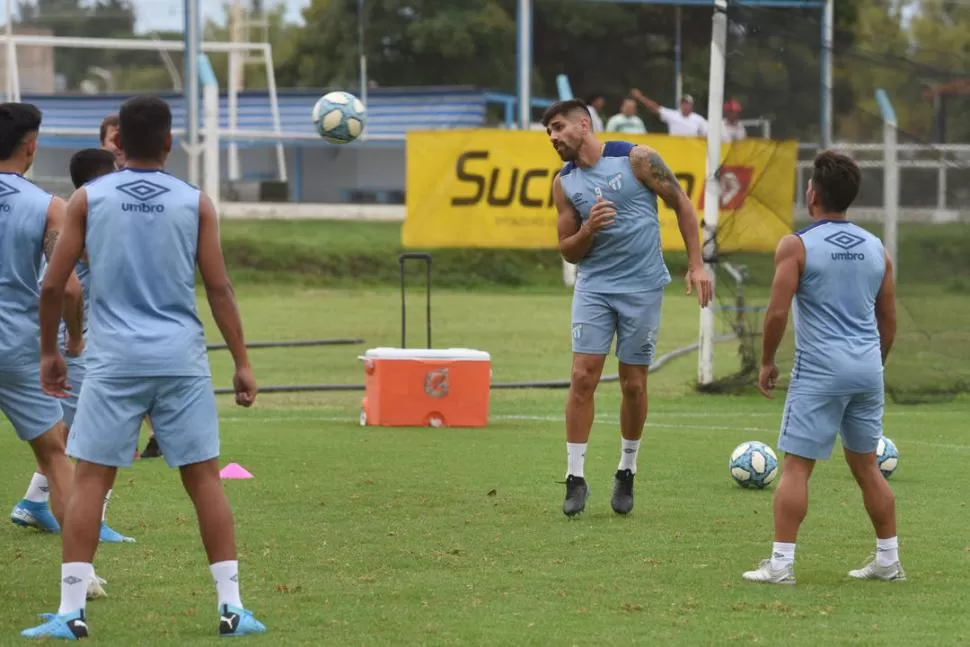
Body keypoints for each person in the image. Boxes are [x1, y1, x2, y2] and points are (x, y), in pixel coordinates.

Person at [24, 95, 265, 639]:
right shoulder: (195, 202)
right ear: (168, 141)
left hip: (113, 360)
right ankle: (232, 608)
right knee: (204, 479)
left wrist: (50, 351)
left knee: (89, 479)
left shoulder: (88, 198)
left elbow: (53, 284)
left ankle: (70, 613)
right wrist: (243, 362)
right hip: (180, 357)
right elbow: (220, 288)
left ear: (118, 144)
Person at [541, 99, 713, 517]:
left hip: (642, 289)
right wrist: (588, 229)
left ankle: (627, 469)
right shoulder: (564, 183)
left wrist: (696, 263)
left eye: (559, 127)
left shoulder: (637, 159)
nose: (553, 138)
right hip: (595, 288)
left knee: (633, 383)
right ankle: (575, 478)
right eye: (548, 132)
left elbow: (683, 205)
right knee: (583, 376)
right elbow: (568, 252)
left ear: (584, 125)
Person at [742, 150, 904, 585]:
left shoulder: (797, 245)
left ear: (811, 193)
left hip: (820, 372)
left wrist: (767, 361)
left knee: (796, 467)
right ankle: (888, 560)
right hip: (868, 370)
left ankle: (780, 565)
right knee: (868, 466)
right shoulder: (877, 248)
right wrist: (873, 363)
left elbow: (776, 314)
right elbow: (888, 320)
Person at [0, 102, 108, 601]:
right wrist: (73, 340)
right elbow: (67, 288)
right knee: (56, 458)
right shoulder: (48, 207)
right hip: (17, 350)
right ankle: (79, 580)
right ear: (31, 145)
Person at [10, 148, 135, 544]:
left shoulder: (86, 215)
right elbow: (76, 281)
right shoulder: (86, 220)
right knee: (92, 433)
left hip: (78, 336)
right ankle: (87, 520)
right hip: (73, 340)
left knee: (63, 431)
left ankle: (35, 502)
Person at [100, 112, 164, 461]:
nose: (118, 145)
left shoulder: (161, 190)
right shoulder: (93, 192)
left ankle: (155, 436)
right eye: (112, 138)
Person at [629, 89, 707, 138]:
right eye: (683, 103)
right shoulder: (673, 115)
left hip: (692, 152)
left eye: (687, 103)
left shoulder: (698, 119)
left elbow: (707, 133)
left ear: (691, 105)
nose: (685, 106)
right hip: (675, 149)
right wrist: (640, 97)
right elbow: (654, 108)